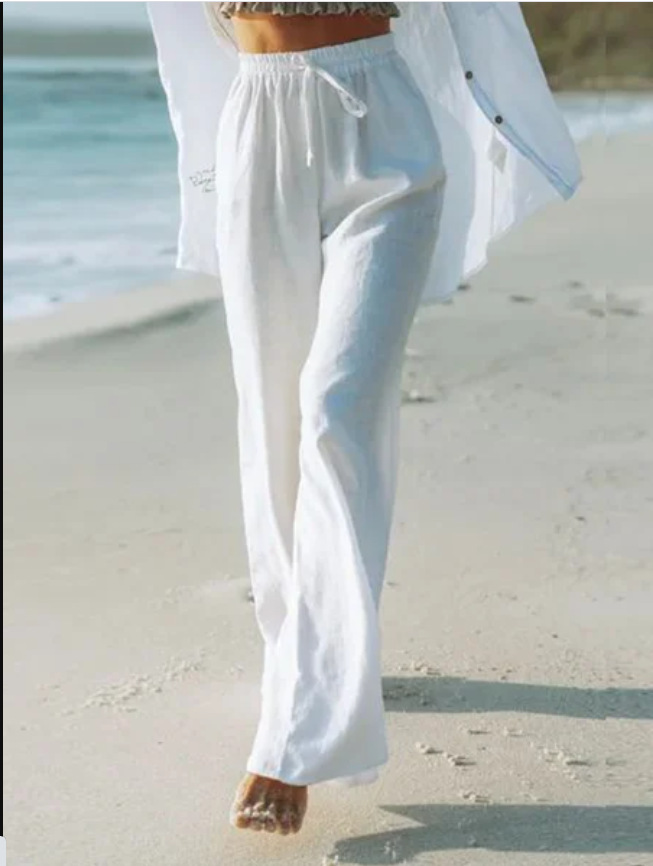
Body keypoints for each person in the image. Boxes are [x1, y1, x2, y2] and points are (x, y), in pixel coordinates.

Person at [148, 1, 581, 836]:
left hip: (385, 133)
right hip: (258, 127)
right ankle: (307, 654)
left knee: (334, 413)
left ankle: (297, 734)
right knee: (274, 422)